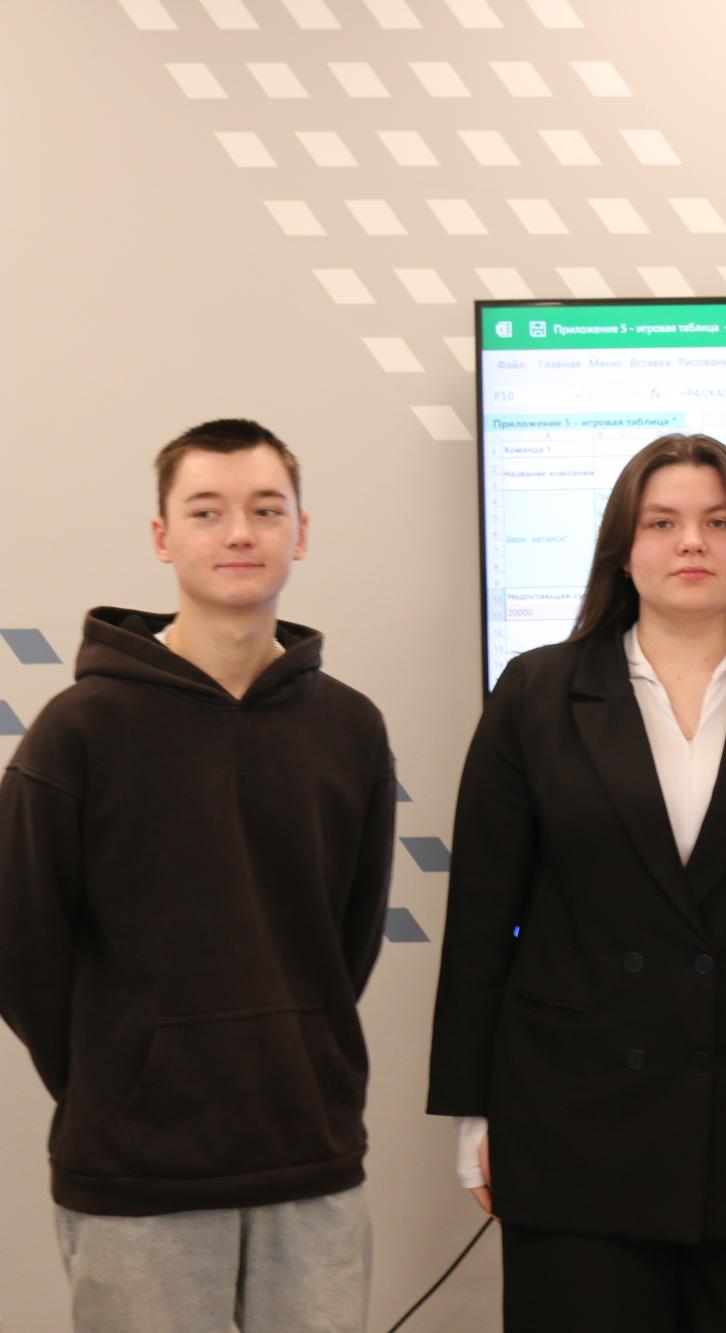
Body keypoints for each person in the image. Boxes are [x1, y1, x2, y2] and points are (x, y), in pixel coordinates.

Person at [426, 433, 726, 1331]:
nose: (691, 542)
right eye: (662, 522)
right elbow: (480, 918)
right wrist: (473, 1112)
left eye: (718, 522)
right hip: (573, 1124)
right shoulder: (537, 691)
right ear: (623, 548)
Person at [0, 419, 394, 1333]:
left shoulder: (350, 728)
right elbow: (21, 948)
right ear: (163, 536)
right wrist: (123, 1076)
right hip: (138, 1172)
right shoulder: (78, 730)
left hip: (310, 1157)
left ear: (301, 531)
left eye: (266, 510)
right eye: (207, 511)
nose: (239, 533)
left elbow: (348, 940)